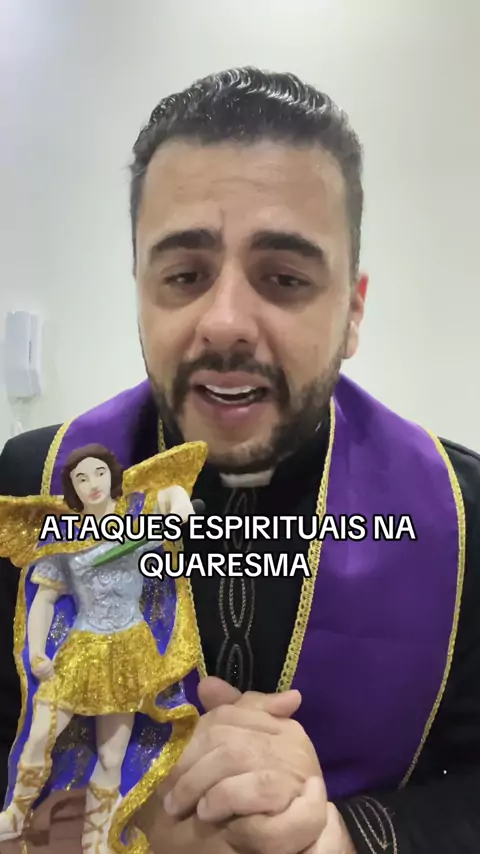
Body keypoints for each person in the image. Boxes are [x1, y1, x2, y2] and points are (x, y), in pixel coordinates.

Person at [1, 66, 480, 854]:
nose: (224, 321)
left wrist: (347, 836)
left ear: (353, 311)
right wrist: (113, 825)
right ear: (140, 289)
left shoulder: (463, 519)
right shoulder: (32, 482)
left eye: (284, 278)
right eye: (185, 275)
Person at [0, 441, 206, 853]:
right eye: (81, 478)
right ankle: (14, 815)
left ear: (112, 476)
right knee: (40, 733)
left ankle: (99, 838)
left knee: (112, 755)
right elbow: (44, 599)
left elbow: (168, 498)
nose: (92, 483)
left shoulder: (137, 521)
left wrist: (177, 502)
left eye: (98, 473)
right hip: (80, 650)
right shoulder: (65, 536)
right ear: (73, 489)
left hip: (129, 651)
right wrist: (37, 650)